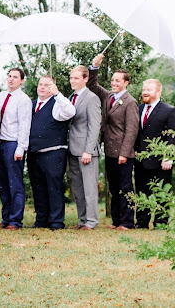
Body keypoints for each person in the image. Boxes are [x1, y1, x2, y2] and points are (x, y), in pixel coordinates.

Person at [87, 54, 140, 230]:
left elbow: (132, 129)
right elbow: (92, 85)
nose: (114, 83)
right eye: (112, 80)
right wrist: (94, 67)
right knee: (114, 187)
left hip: (123, 153)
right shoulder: (109, 96)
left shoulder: (130, 102)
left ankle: (127, 222)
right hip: (109, 150)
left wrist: (124, 153)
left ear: (126, 83)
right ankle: (116, 221)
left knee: (125, 188)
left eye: (117, 80)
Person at [27, 76, 75, 230]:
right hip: (34, 153)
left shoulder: (57, 104)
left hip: (53, 153)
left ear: (52, 87)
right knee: (38, 187)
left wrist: (57, 94)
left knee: (54, 187)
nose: (42, 87)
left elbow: (71, 112)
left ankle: (56, 222)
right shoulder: (32, 104)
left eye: (47, 85)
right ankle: (41, 220)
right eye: (40, 84)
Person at [134, 79, 175, 229]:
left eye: (149, 89)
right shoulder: (139, 108)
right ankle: (141, 222)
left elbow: (174, 135)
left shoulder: (169, 110)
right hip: (141, 160)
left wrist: (169, 156)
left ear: (158, 92)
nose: (145, 92)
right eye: (144, 89)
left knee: (162, 192)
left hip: (161, 161)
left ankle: (161, 223)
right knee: (141, 191)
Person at [0, 67, 32, 230]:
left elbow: (25, 125)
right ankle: (6, 217)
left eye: (15, 77)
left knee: (14, 183)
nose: (11, 79)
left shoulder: (23, 100)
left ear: (21, 80)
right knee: (2, 183)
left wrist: (21, 148)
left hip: (13, 144)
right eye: (9, 76)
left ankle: (16, 220)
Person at [68, 66, 102, 230]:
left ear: (85, 79)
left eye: (76, 78)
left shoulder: (92, 98)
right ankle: (82, 220)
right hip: (72, 149)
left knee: (89, 188)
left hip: (86, 151)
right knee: (78, 188)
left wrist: (88, 150)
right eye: (71, 78)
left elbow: (94, 126)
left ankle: (91, 221)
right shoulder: (70, 97)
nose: (73, 81)